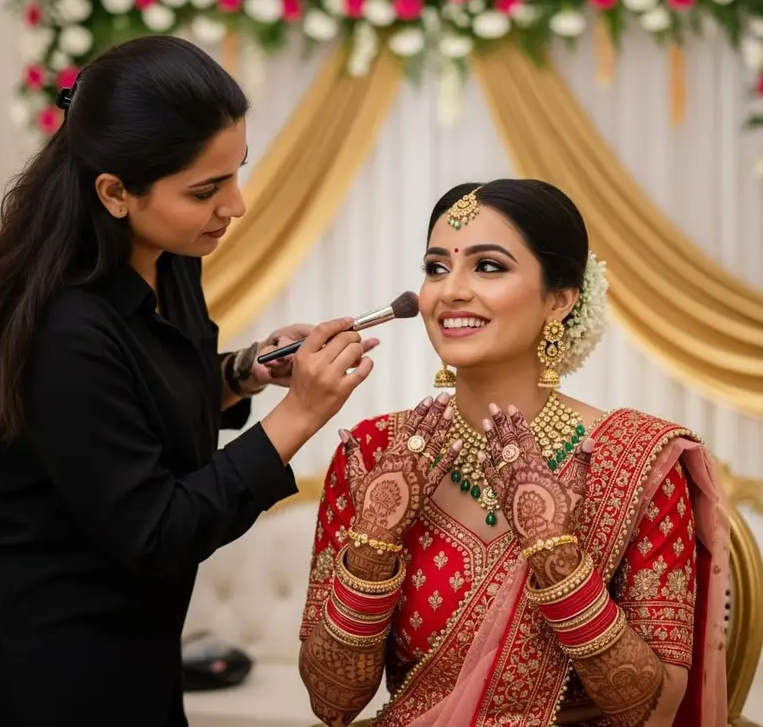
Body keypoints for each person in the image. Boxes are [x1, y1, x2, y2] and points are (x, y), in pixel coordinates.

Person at [0, 35, 376, 727]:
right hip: (42, 665)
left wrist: (245, 375)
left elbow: (145, 396)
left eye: (236, 172)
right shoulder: (64, 330)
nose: (236, 206)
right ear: (115, 193)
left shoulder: (170, 258)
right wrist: (299, 416)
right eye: (206, 190)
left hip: (135, 647)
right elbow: (155, 530)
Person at [298, 180, 729, 727]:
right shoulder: (372, 454)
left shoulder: (636, 459)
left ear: (560, 298)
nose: (450, 290)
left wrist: (556, 556)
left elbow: (652, 709)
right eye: (436, 268)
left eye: (489, 267)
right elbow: (330, 702)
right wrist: (375, 543)